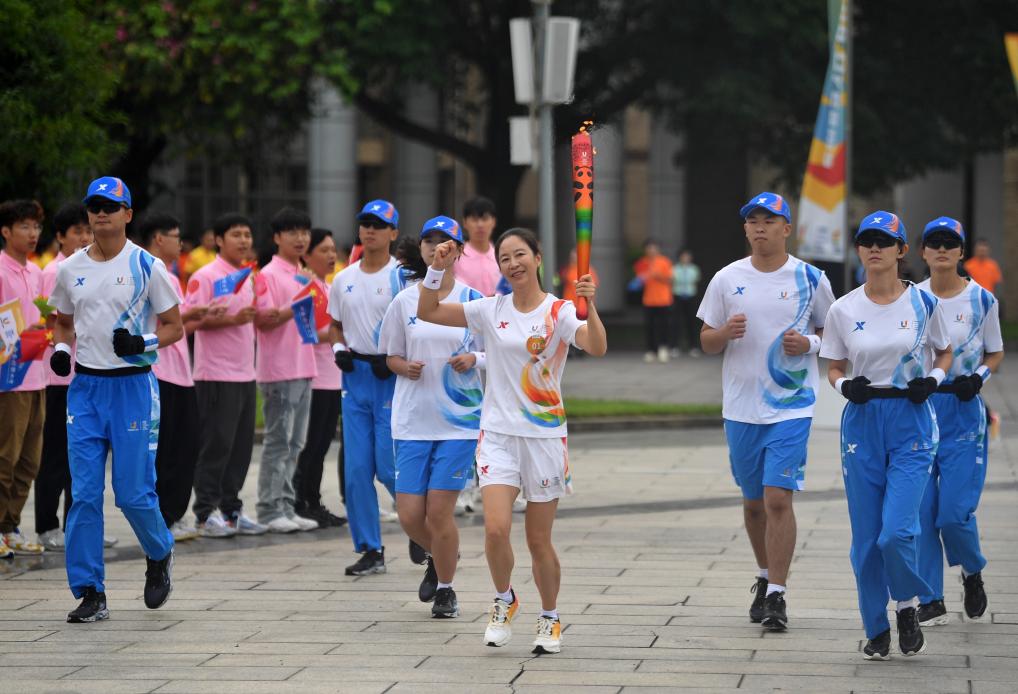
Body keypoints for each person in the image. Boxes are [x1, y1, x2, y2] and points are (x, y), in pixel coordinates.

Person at [418, 227, 607, 654]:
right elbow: (429, 311)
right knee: (496, 528)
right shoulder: (490, 308)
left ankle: (550, 617)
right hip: (498, 435)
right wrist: (436, 270)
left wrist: (589, 305)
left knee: (538, 540)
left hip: (543, 438)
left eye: (520, 254)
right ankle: (504, 599)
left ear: (537, 258)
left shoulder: (559, 311)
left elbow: (596, 346)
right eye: (505, 258)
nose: (513, 263)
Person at [698, 192, 835, 633]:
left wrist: (809, 345)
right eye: (753, 220)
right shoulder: (725, 278)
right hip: (740, 405)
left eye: (769, 220)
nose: (760, 227)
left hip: (791, 405)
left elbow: (831, 336)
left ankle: (777, 592)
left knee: (778, 497)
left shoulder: (811, 278)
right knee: (754, 502)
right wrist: (723, 332)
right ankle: (763, 574)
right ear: (745, 229)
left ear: (786, 228)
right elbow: (705, 340)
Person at [819, 211, 952, 659]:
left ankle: (911, 605)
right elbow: (834, 367)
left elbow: (945, 352)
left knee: (895, 532)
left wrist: (932, 380)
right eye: (866, 241)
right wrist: (844, 386)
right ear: (858, 249)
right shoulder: (843, 308)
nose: (874, 248)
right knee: (867, 537)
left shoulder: (923, 304)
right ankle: (876, 626)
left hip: (911, 418)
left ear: (901, 251)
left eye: (884, 241)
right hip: (863, 420)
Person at [49, 176, 181, 622]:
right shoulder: (69, 269)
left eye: (111, 205)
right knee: (84, 493)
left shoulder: (147, 265)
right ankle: (90, 590)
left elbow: (173, 326)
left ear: (128, 213)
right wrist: (63, 352)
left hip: (133, 389)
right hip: (86, 391)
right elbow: (62, 323)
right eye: (94, 206)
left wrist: (140, 341)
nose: (101, 213)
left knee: (131, 493)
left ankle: (159, 551)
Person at [380, 216, 485, 619]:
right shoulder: (404, 301)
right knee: (409, 516)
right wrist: (400, 366)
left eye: (446, 241)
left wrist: (474, 357)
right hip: (412, 420)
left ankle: (446, 588)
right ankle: (443, 552)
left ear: (459, 250)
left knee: (439, 513)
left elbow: (498, 350)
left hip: (458, 420)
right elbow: (389, 353)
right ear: (422, 250)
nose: (436, 247)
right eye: (429, 241)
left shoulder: (475, 299)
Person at [915, 217, 1004, 626]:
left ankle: (971, 570)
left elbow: (994, 353)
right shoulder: (910, 298)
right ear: (922, 252)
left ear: (961, 251)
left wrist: (979, 378)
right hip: (918, 413)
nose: (942, 249)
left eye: (950, 243)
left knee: (952, 513)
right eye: (934, 243)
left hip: (963, 413)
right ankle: (930, 597)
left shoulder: (982, 301)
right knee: (922, 511)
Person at [328, 200, 405, 575]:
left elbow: (415, 325)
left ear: (393, 232)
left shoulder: (402, 277)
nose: (370, 230)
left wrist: (393, 357)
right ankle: (370, 548)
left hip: (389, 377)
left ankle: (425, 531)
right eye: (365, 224)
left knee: (390, 469)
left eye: (379, 224)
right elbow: (335, 325)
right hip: (355, 377)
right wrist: (340, 349)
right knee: (357, 470)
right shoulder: (344, 279)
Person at [186, 213, 264, 538]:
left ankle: (231, 510)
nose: (244, 240)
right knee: (216, 445)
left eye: (247, 234)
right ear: (219, 240)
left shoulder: (247, 275)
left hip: (246, 373)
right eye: (236, 234)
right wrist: (231, 320)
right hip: (215, 373)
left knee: (241, 448)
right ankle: (206, 512)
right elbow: (189, 321)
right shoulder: (205, 276)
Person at [35, 204, 101, 551]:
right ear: (60, 236)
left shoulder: (91, 268)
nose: (84, 238)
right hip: (57, 375)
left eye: (87, 231)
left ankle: (79, 527)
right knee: (55, 455)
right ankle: (47, 526)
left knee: (84, 456)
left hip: (86, 373)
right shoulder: (55, 271)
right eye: (76, 232)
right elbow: (49, 321)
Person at [140, 213, 207, 542]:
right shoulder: (150, 270)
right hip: (160, 370)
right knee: (168, 447)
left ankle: (174, 514)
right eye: (174, 236)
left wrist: (199, 316)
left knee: (186, 444)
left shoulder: (169, 273)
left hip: (181, 371)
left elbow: (176, 326)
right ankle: (165, 516)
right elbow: (161, 322)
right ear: (158, 239)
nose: (180, 243)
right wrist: (195, 311)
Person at [254, 207, 319, 533]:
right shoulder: (268, 275)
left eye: (305, 232)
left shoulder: (302, 273)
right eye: (293, 232)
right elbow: (264, 320)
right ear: (277, 237)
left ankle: (286, 506)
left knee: (296, 443)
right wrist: (301, 296)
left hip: (304, 364)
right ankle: (268, 509)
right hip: (279, 370)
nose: (301, 238)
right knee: (278, 442)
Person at [0, 199, 48, 558]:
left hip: (38, 373)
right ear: (6, 232)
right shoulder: (0, 272)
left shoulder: (35, 272)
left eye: (36, 228)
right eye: (25, 227)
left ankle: (10, 525)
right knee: (6, 456)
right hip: (9, 377)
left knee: (30, 459)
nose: (33, 235)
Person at [292, 228, 346, 529]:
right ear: (307, 255)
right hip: (315, 376)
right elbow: (307, 335)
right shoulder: (306, 288)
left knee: (323, 443)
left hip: (333, 377)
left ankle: (313, 500)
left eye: (333, 249)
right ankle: (301, 500)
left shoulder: (327, 287)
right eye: (323, 250)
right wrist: (343, 329)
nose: (331, 256)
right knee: (311, 444)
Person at [454, 196, 501, 297]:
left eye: (485, 219)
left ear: (494, 222)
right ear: (465, 223)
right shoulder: (456, 256)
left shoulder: (502, 256)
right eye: (474, 219)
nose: (480, 224)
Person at [636, 239, 673, 363]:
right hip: (648, 300)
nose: (651, 250)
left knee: (663, 326)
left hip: (663, 299)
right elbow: (639, 281)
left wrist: (658, 276)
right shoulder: (642, 263)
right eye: (649, 248)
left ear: (658, 249)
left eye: (653, 248)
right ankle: (651, 350)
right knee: (650, 326)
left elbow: (670, 280)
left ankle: (663, 349)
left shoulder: (664, 262)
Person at [671, 249, 701, 357]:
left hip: (690, 296)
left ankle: (693, 346)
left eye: (687, 256)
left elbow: (694, 280)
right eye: (683, 256)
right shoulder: (674, 268)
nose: (685, 258)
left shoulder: (694, 269)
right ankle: (674, 347)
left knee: (691, 322)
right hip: (678, 296)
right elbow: (674, 280)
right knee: (676, 322)